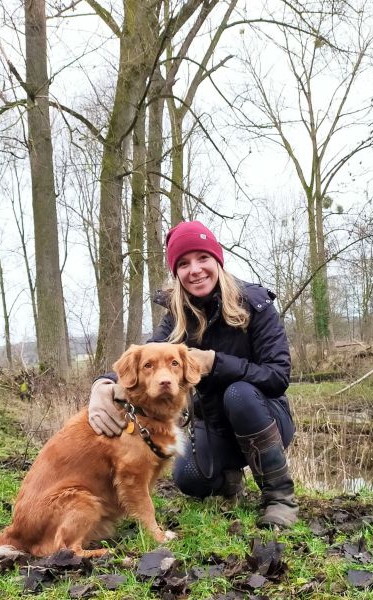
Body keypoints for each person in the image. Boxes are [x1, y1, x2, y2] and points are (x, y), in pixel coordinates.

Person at [88, 221, 298, 528]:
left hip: (265, 418)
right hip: (212, 424)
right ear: (176, 274)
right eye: (183, 264)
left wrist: (215, 362)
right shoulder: (176, 317)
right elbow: (145, 358)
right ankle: (230, 477)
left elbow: (278, 376)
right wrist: (103, 384)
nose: (195, 270)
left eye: (202, 258)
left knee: (238, 393)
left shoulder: (256, 304)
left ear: (217, 261)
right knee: (188, 479)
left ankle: (279, 496)